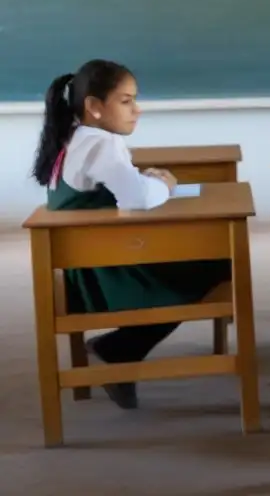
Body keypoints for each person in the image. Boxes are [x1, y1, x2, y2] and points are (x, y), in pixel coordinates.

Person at [31, 59, 231, 409]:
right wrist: (164, 184)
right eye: (126, 101)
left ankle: (122, 349)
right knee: (217, 262)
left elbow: (119, 190)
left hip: (85, 270)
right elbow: (136, 200)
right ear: (94, 106)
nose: (137, 111)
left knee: (196, 258)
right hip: (108, 276)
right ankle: (118, 349)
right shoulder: (100, 143)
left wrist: (144, 179)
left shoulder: (72, 138)